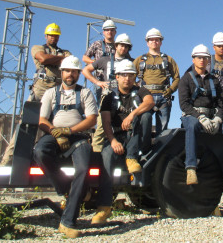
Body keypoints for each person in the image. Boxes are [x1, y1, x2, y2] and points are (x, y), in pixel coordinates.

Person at [33, 56, 98, 238]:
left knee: (83, 169)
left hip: (78, 137)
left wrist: (68, 131)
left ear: (78, 74)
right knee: (39, 151)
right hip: (54, 135)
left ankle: (67, 222)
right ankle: (67, 188)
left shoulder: (85, 93)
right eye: (68, 71)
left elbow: (92, 119)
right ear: (62, 72)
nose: (71, 74)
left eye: (75, 71)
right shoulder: (51, 93)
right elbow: (43, 120)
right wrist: (56, 132)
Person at [91, 60, 154, 224]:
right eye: (124, 75)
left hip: (136, 135)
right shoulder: (109, 97)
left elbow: (149, 102)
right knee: (106, 157)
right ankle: (104, 206)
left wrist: (132, 115)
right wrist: (112, 141)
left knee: (145, 114)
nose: (127, 78)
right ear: (117, 77)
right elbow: (105, 123)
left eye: (131, 75)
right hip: (116, 137)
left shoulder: (140, 90)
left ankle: (132, 157)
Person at [0, 22, 71, 166]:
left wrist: (55, 59)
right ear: (46, 36)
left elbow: (69, 61)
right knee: (26, 124)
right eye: (51, 35)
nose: (54, 38)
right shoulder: (37, 48)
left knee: (60, 124)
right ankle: (8, 159)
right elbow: (42, 58)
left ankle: (54, 159)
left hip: (58, 90)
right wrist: (59, 59)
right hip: (41, 89)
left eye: (56, 36)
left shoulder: (65, 52)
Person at [178, 45, 223, 189]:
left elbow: (220, 103)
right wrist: (200, 117)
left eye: (205, 58)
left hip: (211, 115)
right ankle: (191, 168)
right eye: (199, 57)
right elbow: (184, 104)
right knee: (192, 127)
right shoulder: (186, 79)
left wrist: (218, 118)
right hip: (192, 115)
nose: (202, 60)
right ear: (193, 59)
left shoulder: (214, 80)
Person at [83, 33, 136, 152]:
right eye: (121, 45)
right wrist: (97, 82)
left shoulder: (132, 62)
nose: (123, 48)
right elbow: (86, 70)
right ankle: (96, 154)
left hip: (127, 98)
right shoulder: (105, 60)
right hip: (109, 95)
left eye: (126, 46)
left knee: (132, 126)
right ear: (116, 46)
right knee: (102, 126)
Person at [134, 28, 180, 134]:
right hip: (146, 97)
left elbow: (177, 78)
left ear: (161, 42)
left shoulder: (168, 60)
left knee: (162, 131)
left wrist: (171, 90)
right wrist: (139, 91)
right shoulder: (140, 60)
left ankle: (160, 150)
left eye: (157, 40)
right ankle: (144, 150)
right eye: (151, 40)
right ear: (147, 42)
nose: (154, 42)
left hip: (164, 97)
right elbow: (130, 76)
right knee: (143, 126)